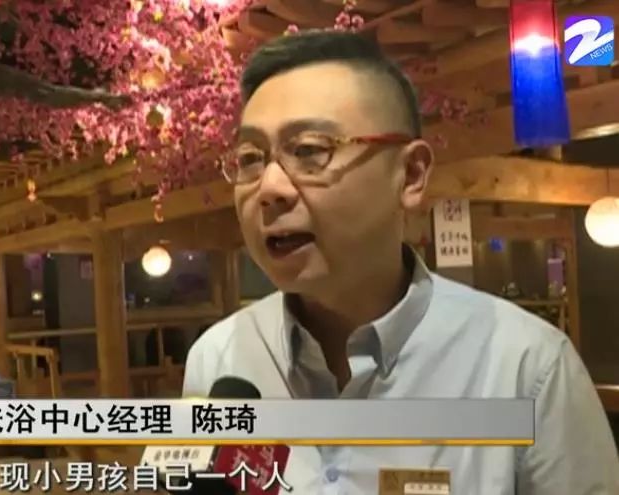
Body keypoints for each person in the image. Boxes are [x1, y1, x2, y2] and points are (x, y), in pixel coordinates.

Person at [182, 30, 619, 494]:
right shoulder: (219, 358)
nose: (269, 188)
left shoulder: (527, 368)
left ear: (411, 174)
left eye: (309, 150)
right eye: (250, 158)